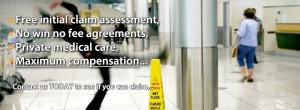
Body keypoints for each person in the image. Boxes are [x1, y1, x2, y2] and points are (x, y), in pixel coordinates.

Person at [39, 1, 167, 109]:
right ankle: (157, 58)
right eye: (63, 16)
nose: (66, 15)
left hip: (97, 54)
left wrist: (61, 3)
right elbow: (49, 18)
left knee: (106, 82)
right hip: (93, 56)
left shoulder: (75, 25)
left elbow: (74, 8)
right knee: (124, 59)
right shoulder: (64, 31)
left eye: (65, 14)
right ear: (59, 20)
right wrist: (43, 13)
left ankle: (92, 108)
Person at [236, 8, 258, 82]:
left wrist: (236, 32)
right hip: (253, 44)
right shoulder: (255, 22)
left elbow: (242, 34)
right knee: (250, 60)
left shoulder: (244, 22)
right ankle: (250, 77)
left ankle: (244, 74)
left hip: (244, 44)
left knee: (239, 58)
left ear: (245, 15)